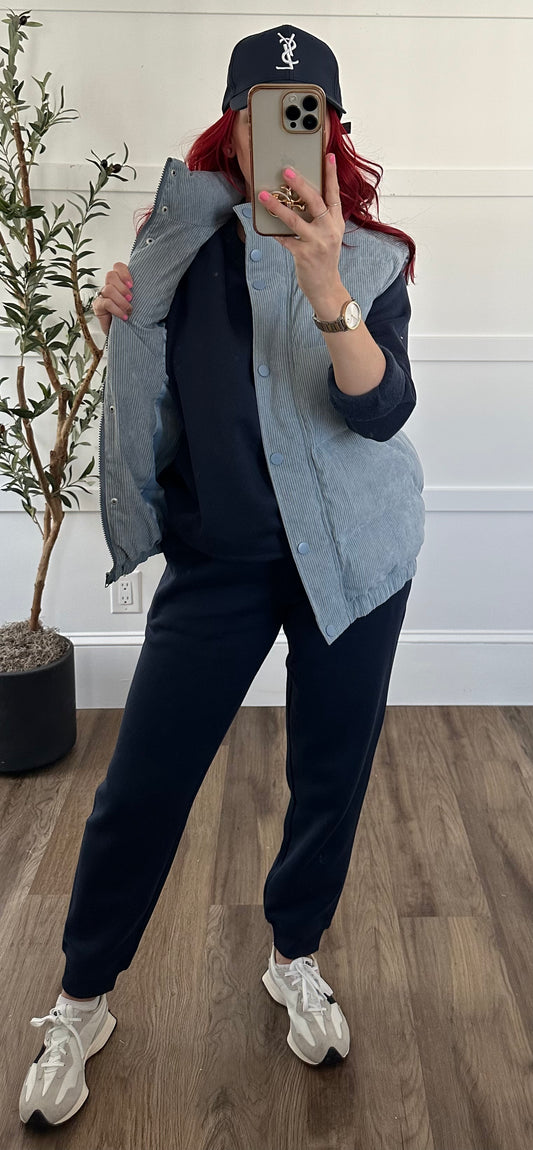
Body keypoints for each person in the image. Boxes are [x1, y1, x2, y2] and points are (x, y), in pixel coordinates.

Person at [19, 23, 425, 1128]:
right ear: (232, 131)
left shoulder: (372, 256)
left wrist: (324, 281)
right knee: (141, 785)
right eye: (261, 113)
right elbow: (150, 394)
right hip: (223, 559)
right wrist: (121, 310)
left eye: (304, 113)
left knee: (328, 777)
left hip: (354, 555)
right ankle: (81, 999)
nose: (280, 132)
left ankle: (294, 955)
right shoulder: (180, 246)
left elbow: (381, 410)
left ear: (328, 132)